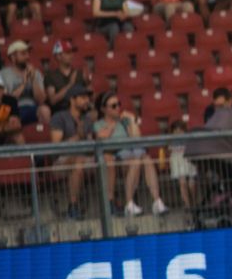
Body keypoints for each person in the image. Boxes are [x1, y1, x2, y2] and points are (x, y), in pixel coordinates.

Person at [94, 90, 168, 216]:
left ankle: (157, 201)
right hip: (116, 157)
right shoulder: (98, 124)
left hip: (132, 153)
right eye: (113, 106)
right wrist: (113, 124)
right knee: (136, 160)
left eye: (118, 104)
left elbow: (136, 138)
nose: (118, 108)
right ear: (103, 109)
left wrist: (132, 120)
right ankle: (129, 203)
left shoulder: (125, 122)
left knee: (147, 159)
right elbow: (102, 137)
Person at [50, 82, 98, 217]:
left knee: (106, 160)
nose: (86, 101)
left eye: (87, 98)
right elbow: (56, 146)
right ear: (72, 99)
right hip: (61, 162)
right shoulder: (59, 117)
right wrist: (78, 136)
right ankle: (73, 205)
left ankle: (111, 202)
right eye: (82, 97)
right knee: (78, 161)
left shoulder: (87, 119)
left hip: (85, 158)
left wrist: (88, 137)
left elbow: (90, 145)